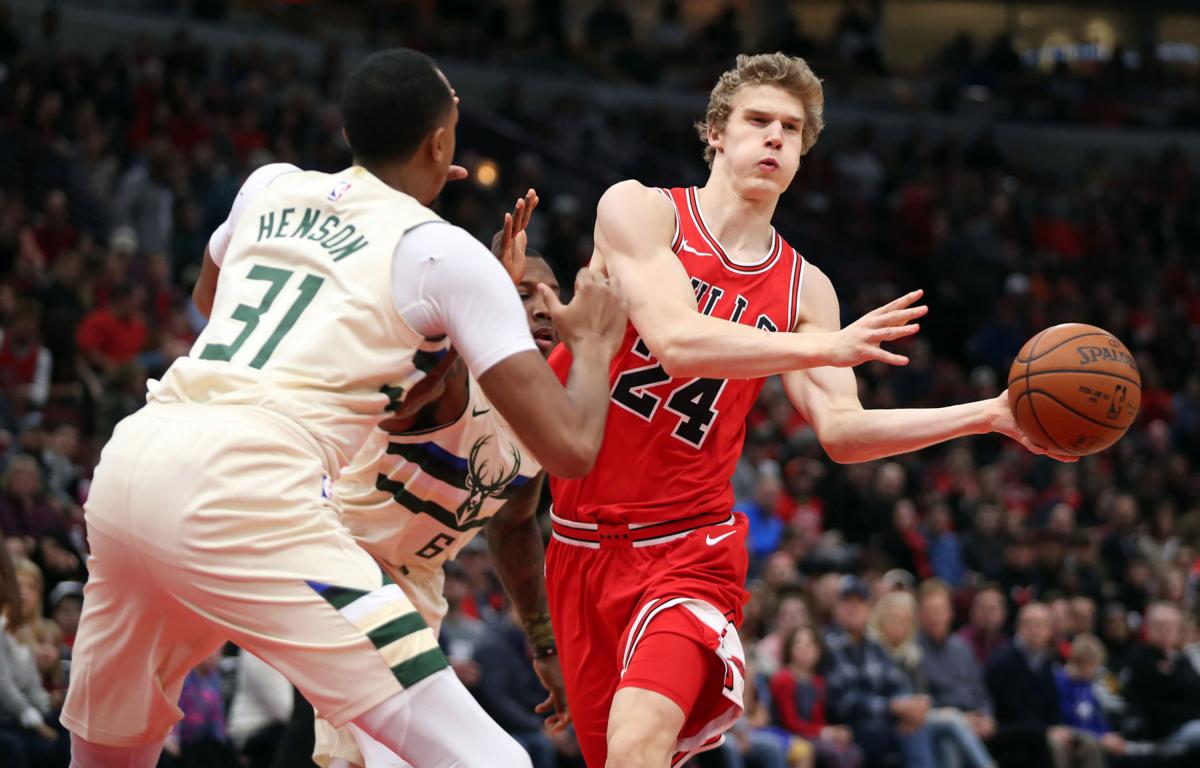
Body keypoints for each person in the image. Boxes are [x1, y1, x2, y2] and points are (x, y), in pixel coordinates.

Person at [61, 48, 627, 768]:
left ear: (348, 131)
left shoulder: (268, 185)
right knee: (493, 761)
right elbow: (573, 448)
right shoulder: (445, 253)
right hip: (258, 496)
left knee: (109, 758)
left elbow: (210, 299)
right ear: (441, 146)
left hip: (136, 459)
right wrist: (596, 343)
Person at [545, 51, 1071, 768]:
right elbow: (676, 341)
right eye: (757, 120)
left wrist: (989, 414)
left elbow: (843, 433)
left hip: (688, 551)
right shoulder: (640, 210)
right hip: (577, 544)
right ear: (715, 133)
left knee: (638, 745)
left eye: (791, 129)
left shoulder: (805, 289)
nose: (774, 137)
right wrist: (825, 348)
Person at [313, 239, 579, 768]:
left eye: (552, 294)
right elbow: (420, 378)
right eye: (523, 294)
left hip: (412, 582)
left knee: (362, 759)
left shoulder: (539, 416)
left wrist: (545, 645)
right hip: (340, 554)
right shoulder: (452, 379)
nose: (543, 307)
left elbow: (514, 524)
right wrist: (465, 305)